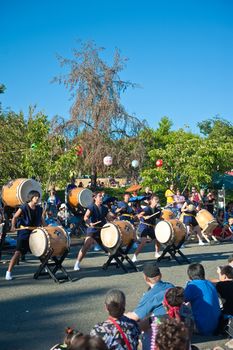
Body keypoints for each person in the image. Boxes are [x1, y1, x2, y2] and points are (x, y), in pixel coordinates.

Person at [5, 190, 44, 280]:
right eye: (35, 196)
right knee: (17, 252)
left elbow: (42, 221)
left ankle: (45, 267)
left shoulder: (39, 209)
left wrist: (47, 228)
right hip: (24, 232)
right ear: (31, 197)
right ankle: (8, 272)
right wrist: (13, 226)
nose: (37, 198)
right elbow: (15, 217)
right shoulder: (24, 207)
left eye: (38, 196)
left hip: (34, 232)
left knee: (41, 250)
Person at [73, 192, 109, 271]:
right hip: (92, 229)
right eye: (99, 196)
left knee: (109, 245)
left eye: (102, 196)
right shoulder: (92, 207)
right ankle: (77, 264)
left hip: (101, 229)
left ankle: (112, 259)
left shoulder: (104, 208)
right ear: (95, 198)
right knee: (86, 246)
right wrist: (90, 223)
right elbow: (86, 217)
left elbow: (109, 218)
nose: (101, 198)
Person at [184, 263, 221, 335]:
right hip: (217, 325)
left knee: (182, 310)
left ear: (190, 276)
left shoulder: (192, 286)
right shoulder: (209, 283)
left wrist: (187, 286)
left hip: (202, 328)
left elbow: (182, 299)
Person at [132, 195, 161, 262]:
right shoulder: (147, 209)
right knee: (143, 242)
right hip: (144, 226)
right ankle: (135, 256)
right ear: (151, 201)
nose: (156, 201)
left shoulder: (157, 210)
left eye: (157, 200)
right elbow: (139, 215)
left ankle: (157, 253)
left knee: (158, 239)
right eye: (155, 200)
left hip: (151, 226)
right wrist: (145, 217)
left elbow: (160, 217)